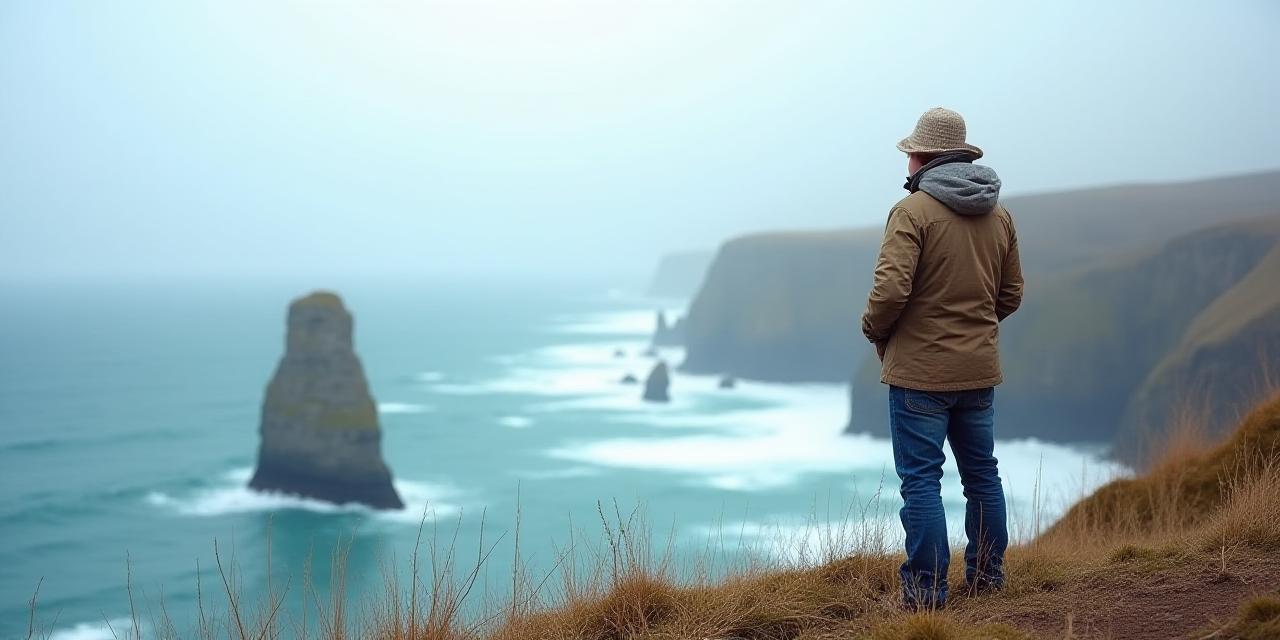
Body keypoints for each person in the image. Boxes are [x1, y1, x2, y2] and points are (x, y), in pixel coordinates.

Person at [861, 107, 1023, 610]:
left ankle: (926, 595)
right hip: (977, 372)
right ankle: (988, 580)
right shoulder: (998, 214)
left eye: (910, 152)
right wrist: (973, 328)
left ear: (922, 156)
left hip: (920, 376)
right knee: (982, 476)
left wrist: (875, 331)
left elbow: (890, 293)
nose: (906, 162)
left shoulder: (912, 213)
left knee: (922, 481)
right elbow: (1011, 293)